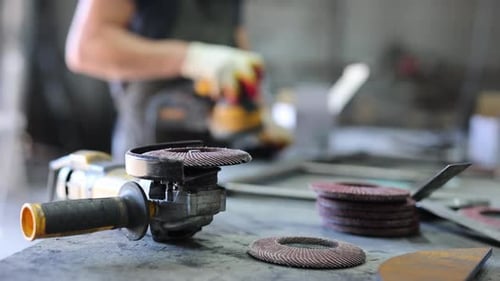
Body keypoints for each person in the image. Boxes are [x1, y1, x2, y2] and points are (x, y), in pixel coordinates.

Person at [65, 0, 264, 160]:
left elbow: (235, 35)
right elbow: (87, 48)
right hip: (148, 152)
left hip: (217, 155)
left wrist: (258, 106)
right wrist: (193, 58)